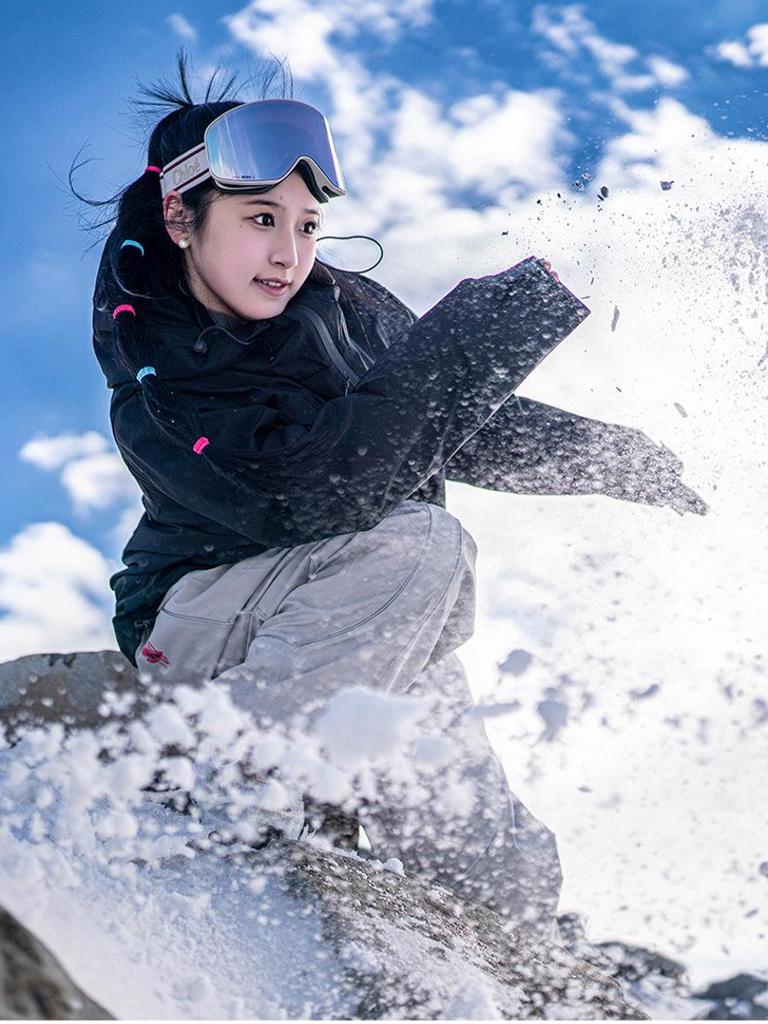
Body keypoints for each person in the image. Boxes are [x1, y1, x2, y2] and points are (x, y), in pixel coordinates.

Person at [81, 56, 705, 940]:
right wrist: (490, 329)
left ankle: (491, 962)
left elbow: (452, 419)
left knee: (504, 876)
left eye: (304, 223)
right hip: (204, 620)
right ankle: (222, 792)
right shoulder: (159, 345)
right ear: (181, 217)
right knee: (421, 543)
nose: (288, 251)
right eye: (260, 219)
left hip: (346, 628)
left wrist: (613, 458)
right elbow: (304, 494)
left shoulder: (339, 309)